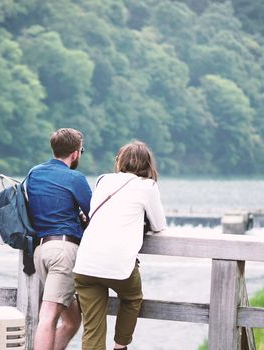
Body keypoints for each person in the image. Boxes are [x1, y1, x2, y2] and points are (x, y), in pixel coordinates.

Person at [73, 140, 167, 350]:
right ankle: (120, 345)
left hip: (86, 263)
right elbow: (159, 225)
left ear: (120, 161)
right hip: (118, 266)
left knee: (92, 330)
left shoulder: (103, 180)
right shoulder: (148, 186)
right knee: (132, 297)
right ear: (147, 164)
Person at [26, 128, 92, 350]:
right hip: (63, 252)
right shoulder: (75, 178)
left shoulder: (34, 173)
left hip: (41, 253)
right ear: (75, 153)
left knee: (72, 321)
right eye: (81, 151)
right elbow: (94, 214)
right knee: (48, 317)